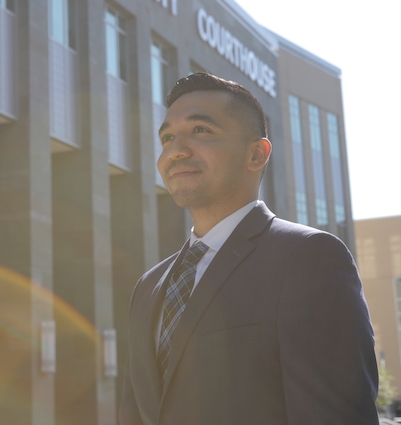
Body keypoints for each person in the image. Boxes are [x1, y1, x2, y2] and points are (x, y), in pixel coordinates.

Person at [119, 72, 378, 425]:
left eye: (200, 131)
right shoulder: (148, 287)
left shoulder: (308, 259)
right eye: (167, 137)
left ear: (256, 153)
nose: (175, 151)